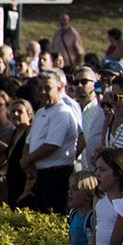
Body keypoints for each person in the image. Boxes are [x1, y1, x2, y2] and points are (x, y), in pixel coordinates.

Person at [23, 71, 81, 213]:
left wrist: (27, 160)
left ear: (60, 88)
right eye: (40, 88)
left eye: (47, 88)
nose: (42, 92)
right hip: (40, 174)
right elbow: (29, 141)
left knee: (55, 215)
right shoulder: (41, 111)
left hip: (57, 175)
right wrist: (27, 162)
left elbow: (52, 145)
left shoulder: (62, 112)